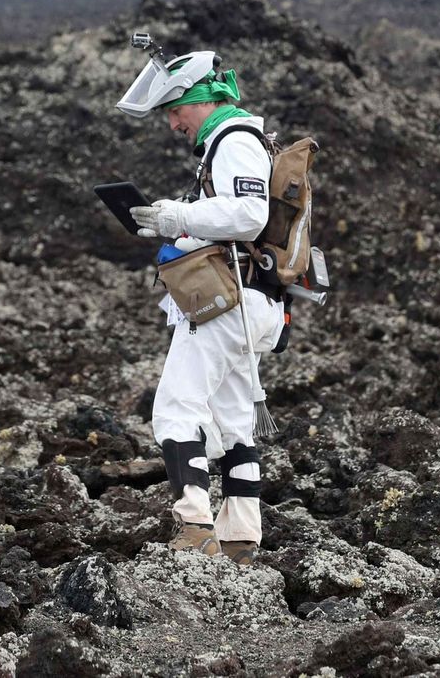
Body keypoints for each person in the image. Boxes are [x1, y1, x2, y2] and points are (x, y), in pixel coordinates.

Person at [116, 51, 284, 565]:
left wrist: (177, 217)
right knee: (233, 418)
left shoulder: (233, 141)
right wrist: (177, 220)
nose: (172, 122)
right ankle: (240, 539)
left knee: (174, 409)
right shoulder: (237, 142)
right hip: (253, 300)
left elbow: (249, 216)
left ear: (201, 99)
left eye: (175, 108)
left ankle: (193, 525)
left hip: (226, 302)